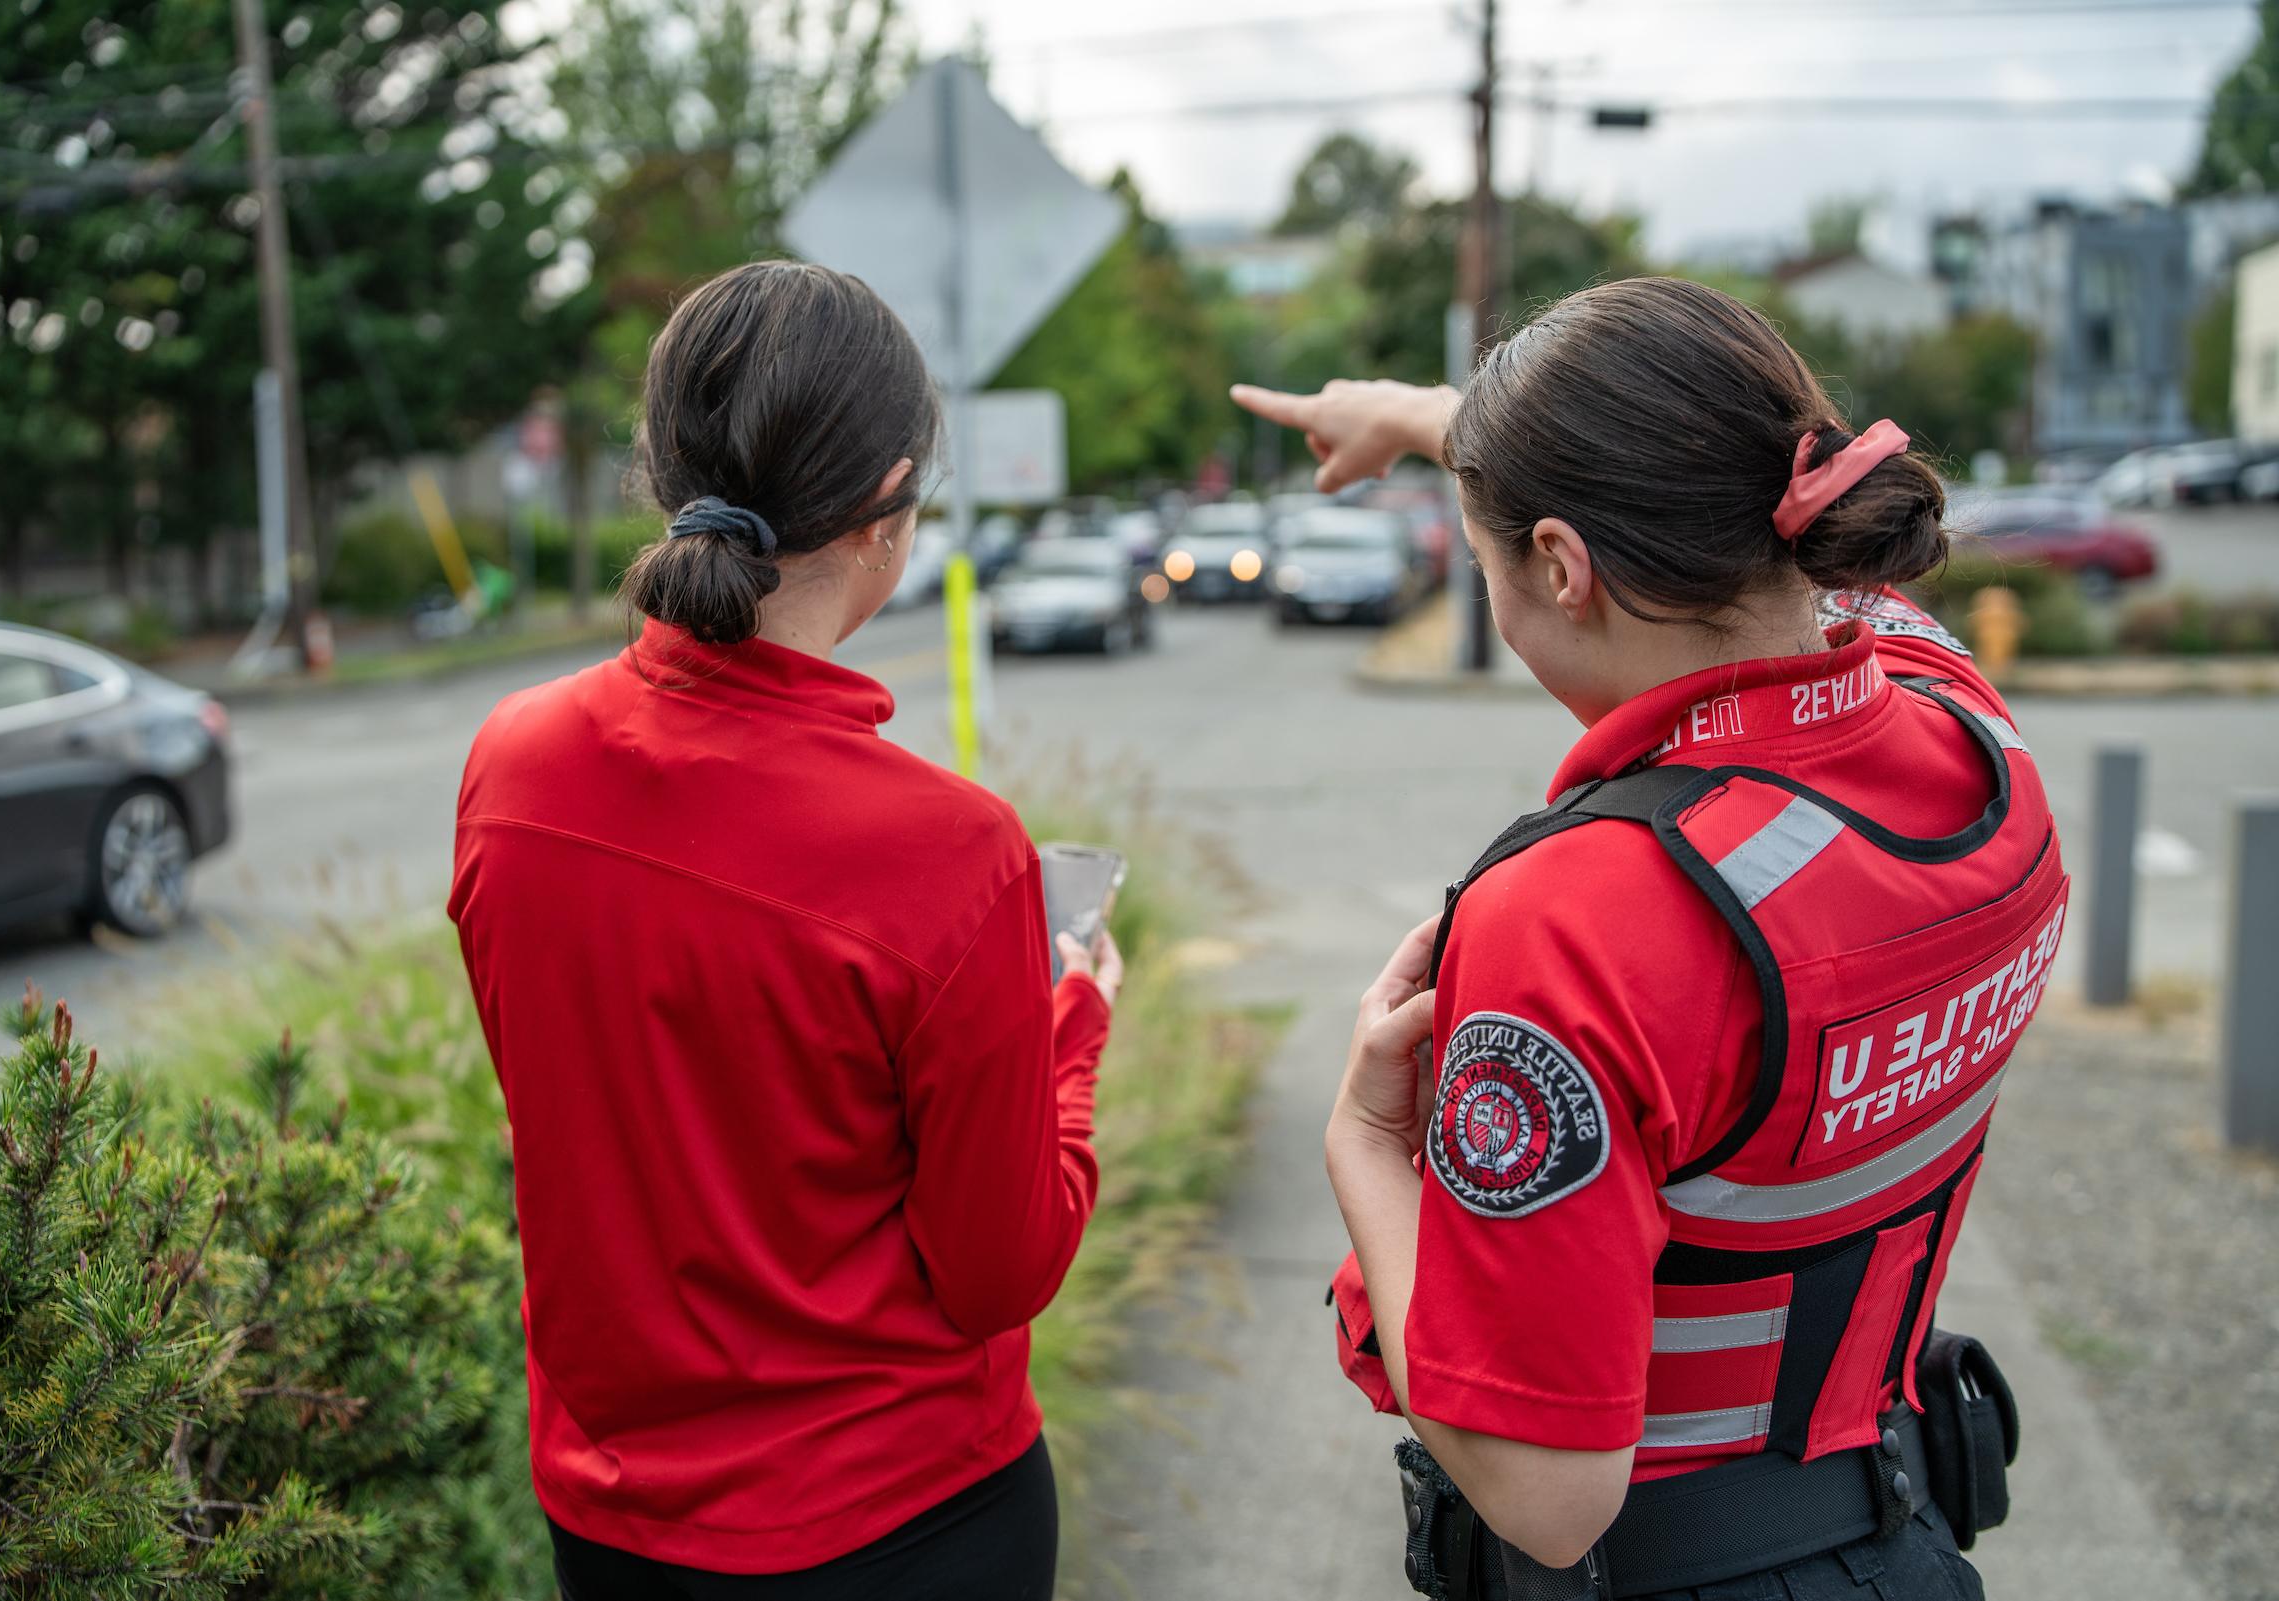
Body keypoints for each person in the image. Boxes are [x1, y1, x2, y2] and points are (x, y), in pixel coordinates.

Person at [1237, 277, 2055, 1600]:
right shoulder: (1972, 731)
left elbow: (1547, 1495)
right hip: (1901, 1536)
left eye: (1485, 548)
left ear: (1560, 565)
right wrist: (1431, 420)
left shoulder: (1584, 920)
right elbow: (1841, 595)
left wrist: (1366, 1145)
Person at [450, 261, 1121, 1601]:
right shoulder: (951, 855)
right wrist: (1072, 1024)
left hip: (616, 1527)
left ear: (660, 469)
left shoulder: (511, 767)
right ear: (891, 509)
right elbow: (1000, 1270)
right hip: (908, 1520)